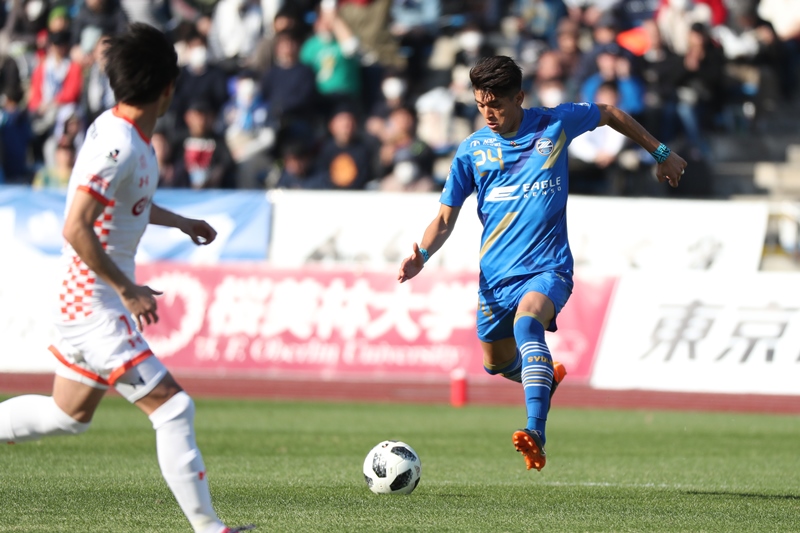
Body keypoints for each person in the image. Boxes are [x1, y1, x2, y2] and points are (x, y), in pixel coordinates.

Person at [0, 23, 254, 533]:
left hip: (89, 300)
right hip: (93, 306)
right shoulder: (118, 146)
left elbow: (127, 203)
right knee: (174, 408)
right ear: (168, 87)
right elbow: (75, 227)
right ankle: (210, 528)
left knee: (67, 415)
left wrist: (180, 222)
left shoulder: (121, 132)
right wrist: (127, 288)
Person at [397, 56, 686, 472]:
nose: (488, 114)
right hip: (495, 279)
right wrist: (422, 256)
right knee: (495, 363)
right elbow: (444, 219)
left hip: (548, 269)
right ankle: (543, 374)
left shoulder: (554, 124)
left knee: (527, 323)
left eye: (495, 104)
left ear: (519, 97)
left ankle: (536, 431)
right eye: (480, 105)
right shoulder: (472, 151)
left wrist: (660, 152)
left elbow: (610, 113)